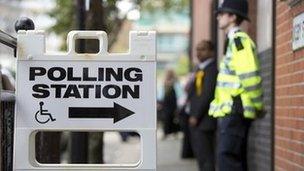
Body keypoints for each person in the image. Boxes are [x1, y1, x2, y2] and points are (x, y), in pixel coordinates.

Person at [209, 0, 264, 170]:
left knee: (228, 160)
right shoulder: (233, 41)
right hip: (231, 111)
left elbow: (250, 77)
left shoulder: (239, 41)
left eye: (221, 13)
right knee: (231, 159)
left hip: (235, 110)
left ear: (232, 17)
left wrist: (258, 105)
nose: (218, 17)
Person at [187, 40, 217, 171]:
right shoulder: (199, 69)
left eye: (203, 49)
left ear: (211, 52)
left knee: (206, 157)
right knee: (200, 155)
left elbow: (207, 95)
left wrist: (195, 115)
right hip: (196, 120)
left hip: (205, 120)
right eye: (197, 49)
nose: (198, 53)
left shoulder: (211, 70)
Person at [160, 69, 179, 139]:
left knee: (172, 118)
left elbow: (178, 91)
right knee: (166, 118)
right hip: (166, 102)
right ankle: (166, 133)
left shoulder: (174, 81)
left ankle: (174, 132)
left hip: (172, 102)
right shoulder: (165, 81)